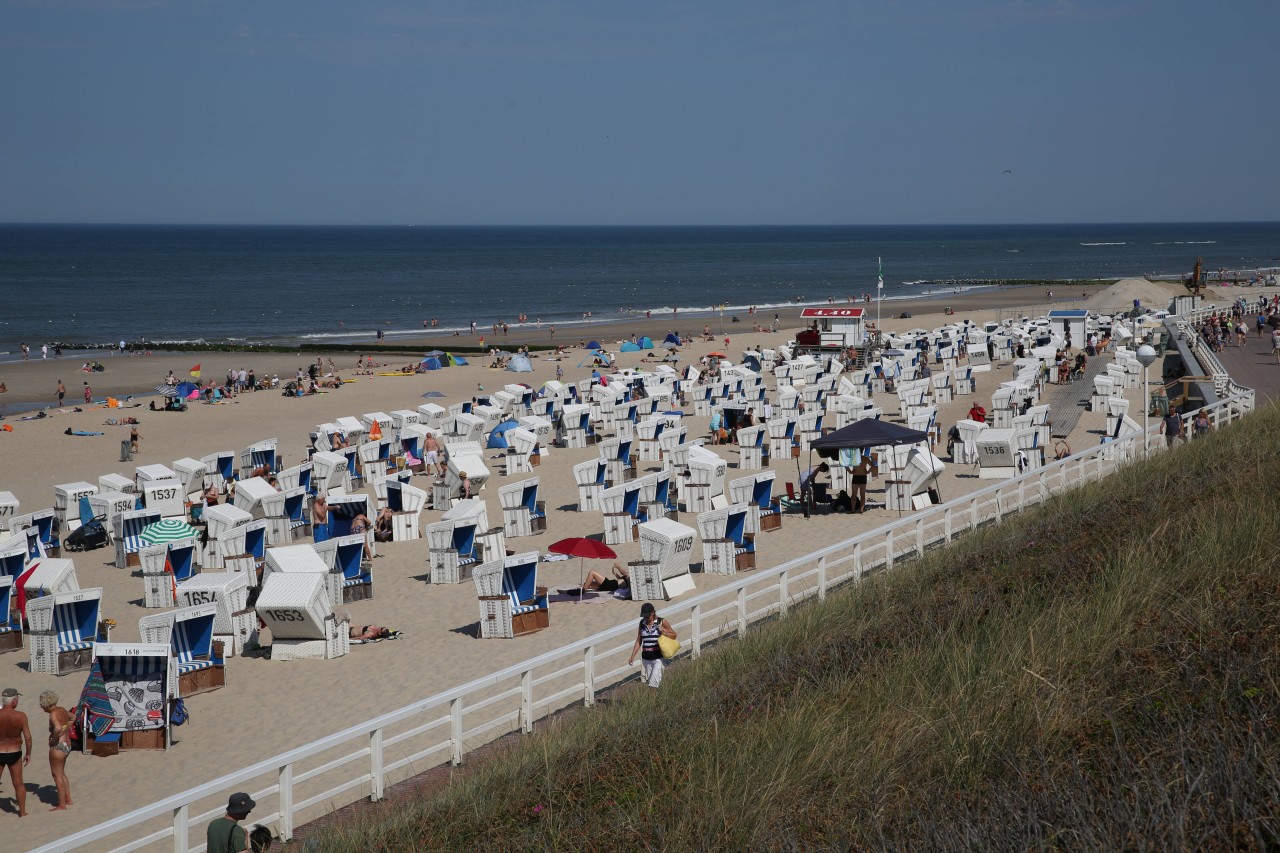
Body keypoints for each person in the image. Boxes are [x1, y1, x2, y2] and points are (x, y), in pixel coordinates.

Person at [627, 603, 676, 689]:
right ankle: (657, 700)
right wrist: (632, 656)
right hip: (646, 658)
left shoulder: (661, 622)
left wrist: (665, 633)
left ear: (653, 612)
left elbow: (674, 635)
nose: (645, 617)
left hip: (658, 657)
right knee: (652, 683)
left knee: (653, 685)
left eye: (647, 615)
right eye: (644, 615)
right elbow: (639, 640)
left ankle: (652, 701)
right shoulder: (641, 623)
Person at [0, 687, 33, 817]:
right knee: (18, 783)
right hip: (15, 752)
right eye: (17, 699)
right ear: (14, 701)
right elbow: (28, 737)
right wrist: (28, 753)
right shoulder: (20, 716)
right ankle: (22, 812)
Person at [38, 691, 72, 810]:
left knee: (57, 775)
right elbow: (73, 717)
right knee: (62, 773)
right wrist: (67, 726)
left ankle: (62, 804)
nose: (41, 707)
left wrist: (53, 738)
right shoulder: (62, 709)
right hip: (67, 745)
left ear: (46, 704)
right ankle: (68, 799)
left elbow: (57, 727)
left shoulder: (53, 714)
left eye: (41, 704)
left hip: (59, 746)